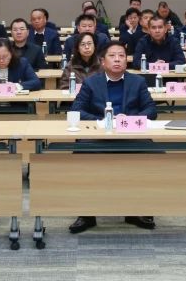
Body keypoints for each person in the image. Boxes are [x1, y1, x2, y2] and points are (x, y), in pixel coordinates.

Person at [67, 41, 157, 234]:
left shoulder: (138, 82)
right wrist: (103, 120)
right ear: (102, 61)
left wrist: (128, 120)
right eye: (112, 56)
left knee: (152, 154)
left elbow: (151, 110)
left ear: (126, 60)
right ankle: (86, 213)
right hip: (99, 134)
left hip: (131, 135)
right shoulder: (91, 82)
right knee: (82, 155)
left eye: (121, 56)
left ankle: (137, 210)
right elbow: (77, 109)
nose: (117, 59)